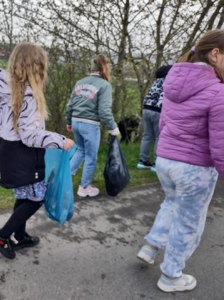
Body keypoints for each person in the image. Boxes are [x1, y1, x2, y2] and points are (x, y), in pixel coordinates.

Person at [136, 29, 224, 293]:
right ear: (216, 54)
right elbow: (220, 146)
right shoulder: (218, 92)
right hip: (194, 168)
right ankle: (171, 276)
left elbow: (164, 122)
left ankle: (151, 246)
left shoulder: (174, 80)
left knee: (172, 203)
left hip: (165, 159)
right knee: (188, 223)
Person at [0, 42, 74, 259]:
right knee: (36, 198)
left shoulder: (3, 86)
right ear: (37, 68)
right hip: (24, 153)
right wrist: (60, 140)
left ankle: (19, 235)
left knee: (24, 194)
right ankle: (2, 235)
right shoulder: (28, 95)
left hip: (9, 150)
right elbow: (30, 136)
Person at [65, 54, 120, 198]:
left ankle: (64, 178)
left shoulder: (80, 82)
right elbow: (104, 111)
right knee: (91, 156)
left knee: (80, 150)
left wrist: (69, 121)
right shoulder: (104, 85)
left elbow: (70, 104)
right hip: (90, 125)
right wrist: (113, 128)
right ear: (105, 68)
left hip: (76, 122)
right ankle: (84, 188)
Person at [137, 65, 172, 172]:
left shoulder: (156, 82)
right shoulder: (169, 81)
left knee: (147, 136)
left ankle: (143, 161)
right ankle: (156, 163)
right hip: (158, 110)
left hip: (146, 109)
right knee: (159, 137)